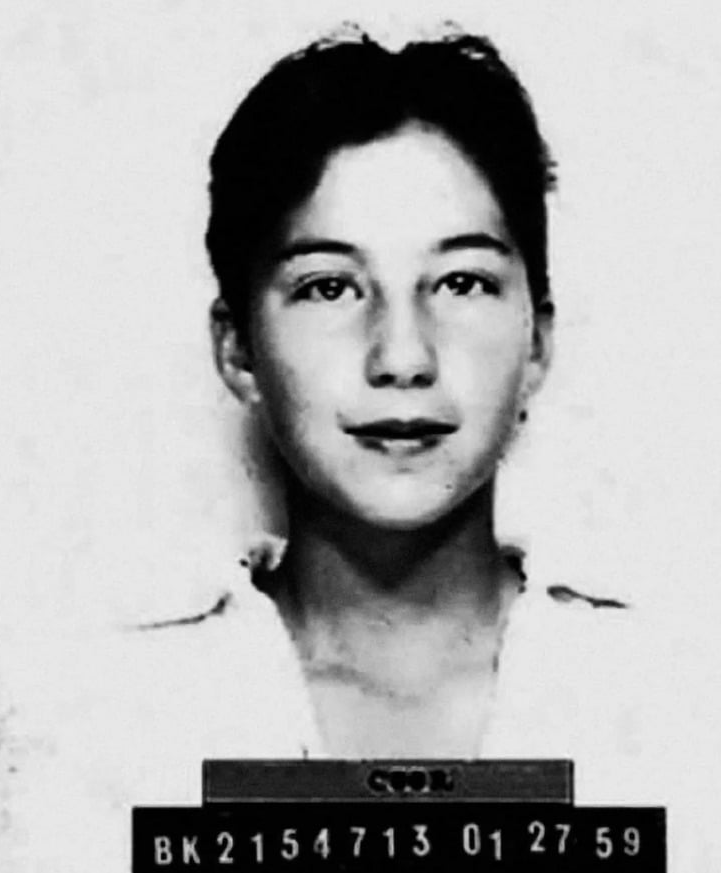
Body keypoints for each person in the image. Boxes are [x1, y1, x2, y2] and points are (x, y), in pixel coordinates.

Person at [204, 31, 569, 759]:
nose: (402, 358)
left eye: (463, 282)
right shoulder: (83, 724)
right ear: (237, 347)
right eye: (328, 286)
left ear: (537, 342)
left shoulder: (698, 710)